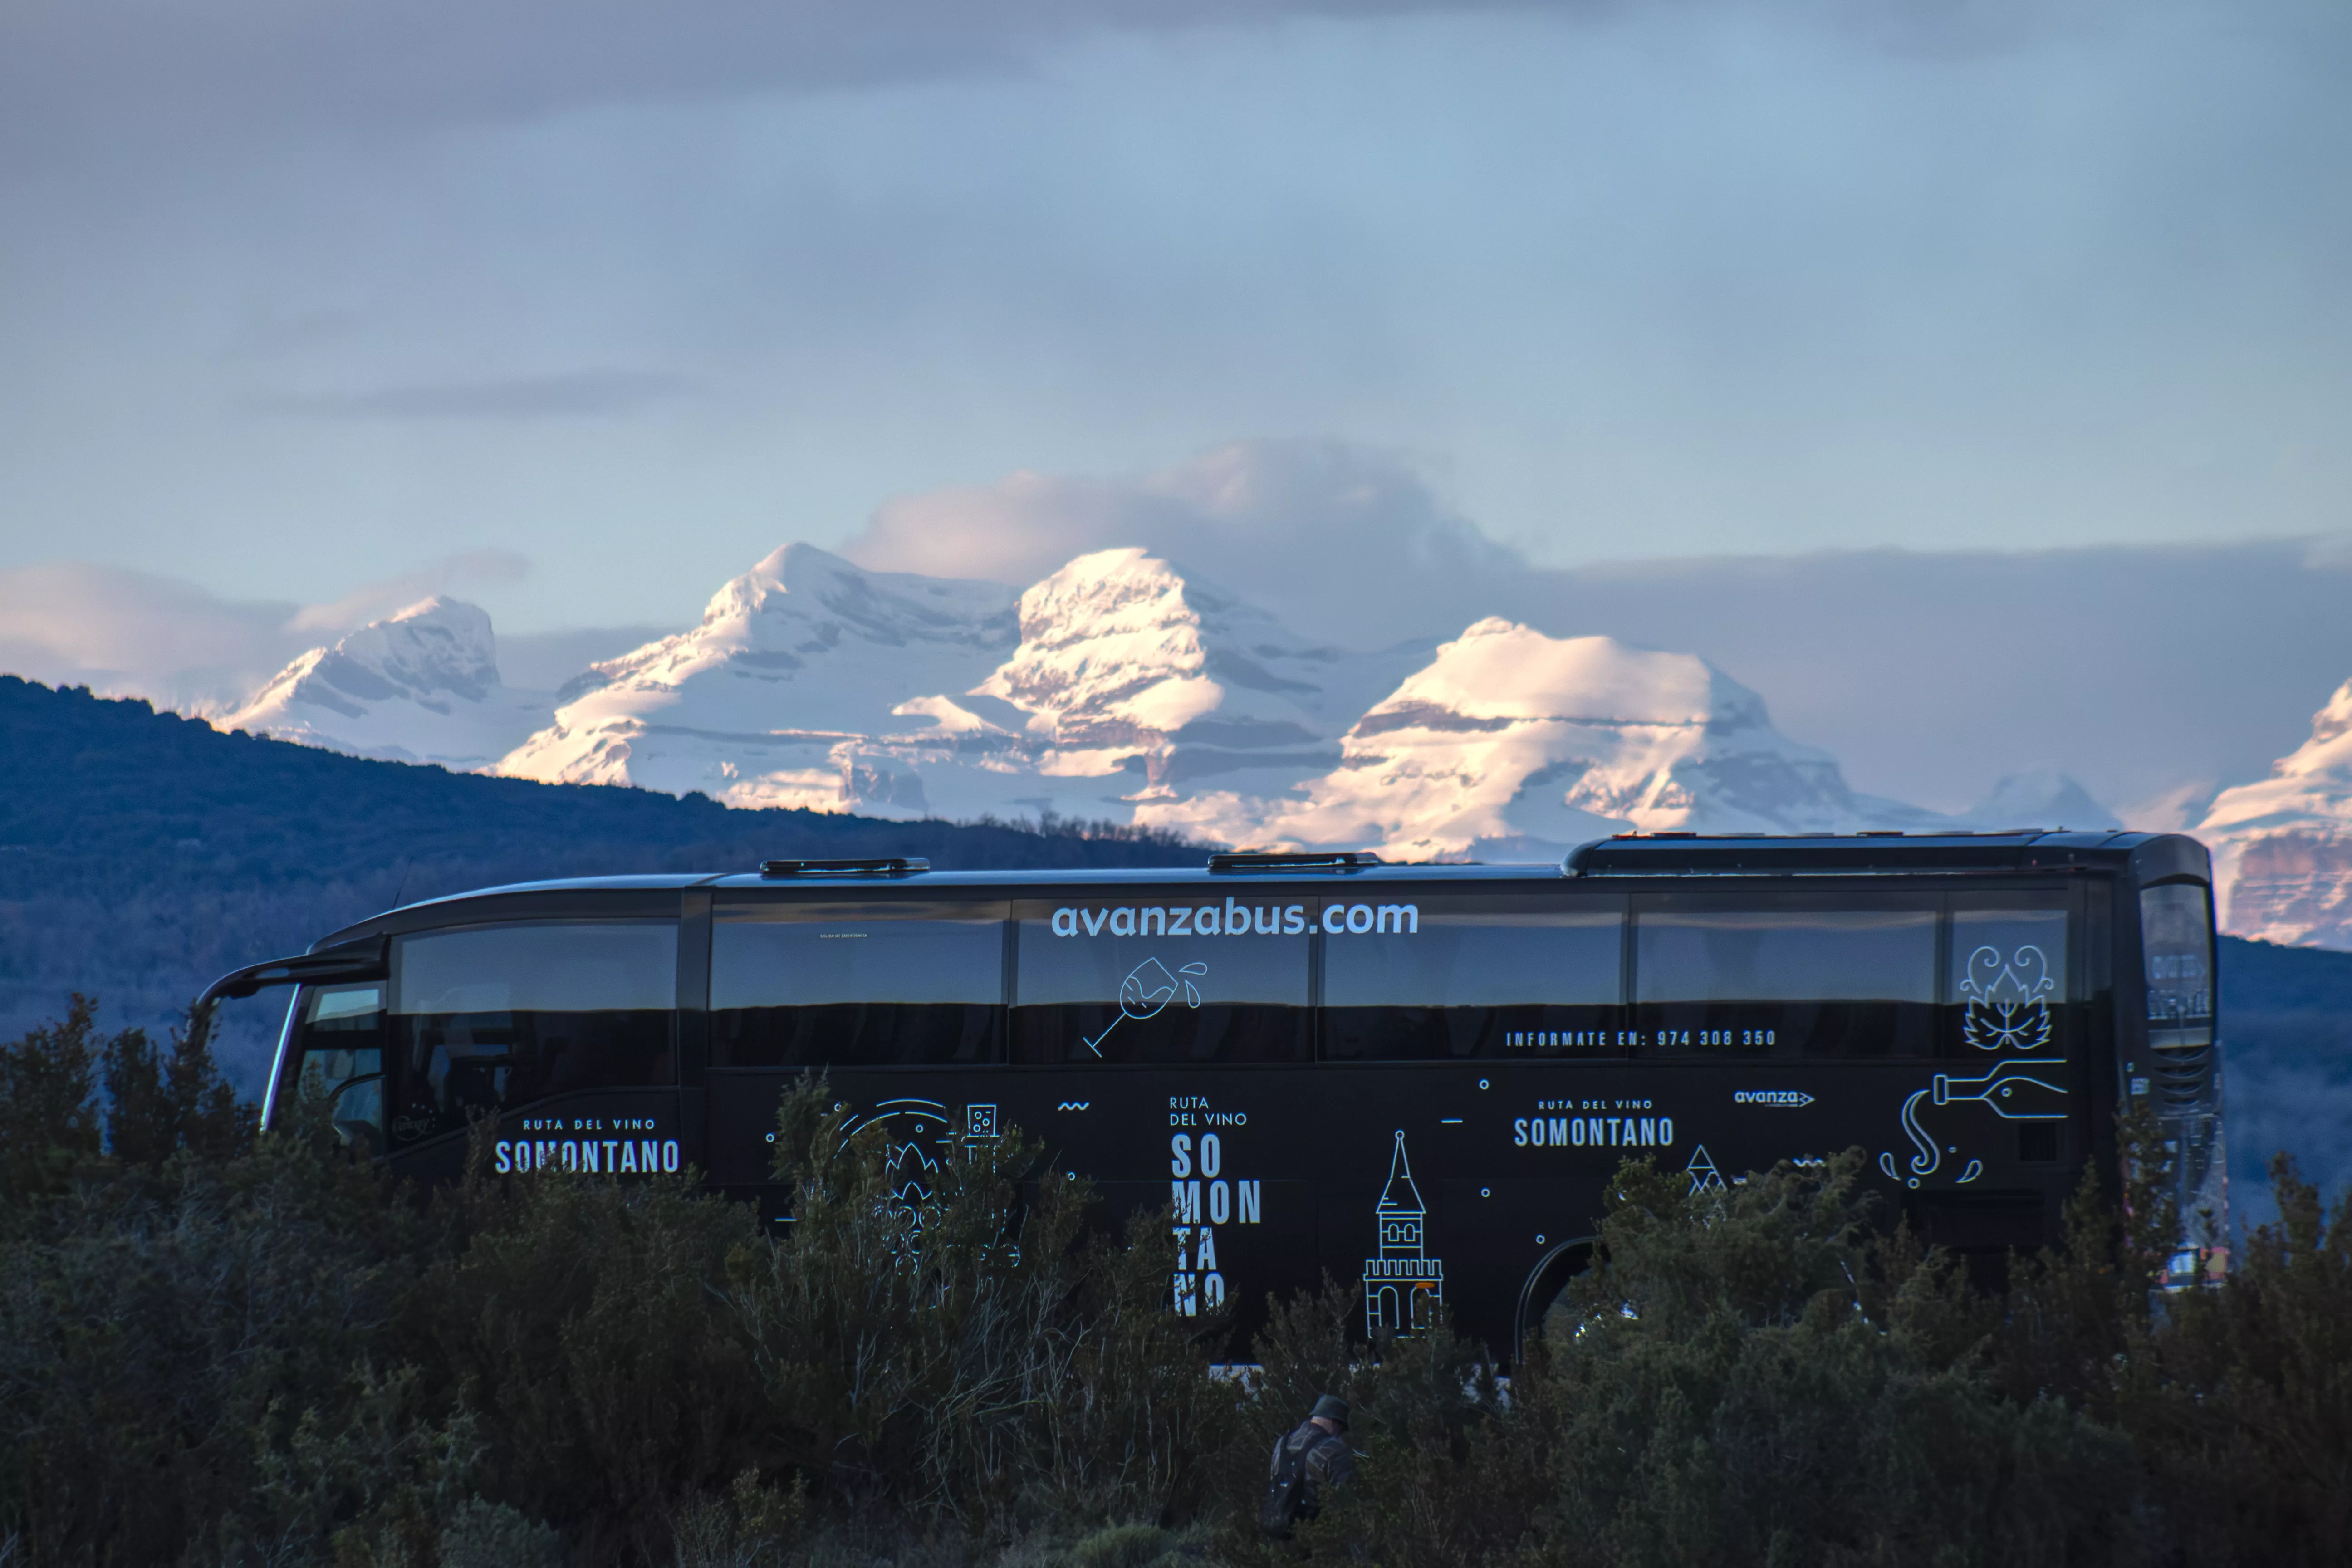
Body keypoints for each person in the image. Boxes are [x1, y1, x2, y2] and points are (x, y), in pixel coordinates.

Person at [1259, 1394, 1357, 1536]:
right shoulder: (1334, 1449)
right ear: (1334, 1423)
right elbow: (1345, 1500)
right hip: (1314, 1537)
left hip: (1275, 1531)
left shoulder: (1282, 1442)